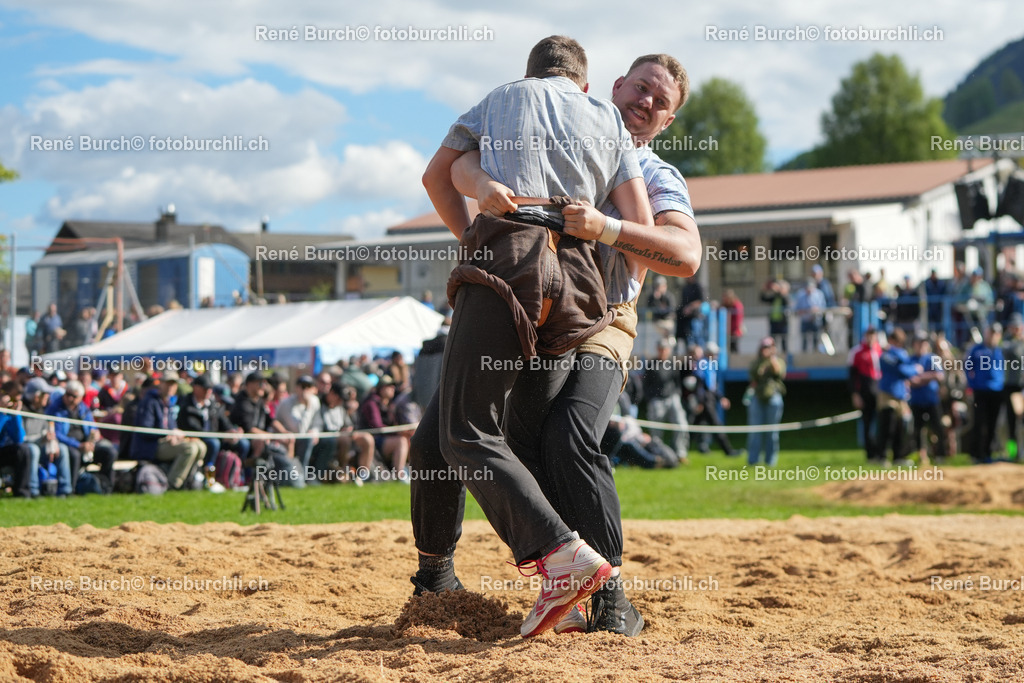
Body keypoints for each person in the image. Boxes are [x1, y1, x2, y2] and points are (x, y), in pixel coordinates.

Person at [414, 42, 698, 638]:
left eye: (660, 100)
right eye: (640, 88)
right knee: (437, 437)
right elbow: (459, 167)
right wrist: (482, 184)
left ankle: (607, 592)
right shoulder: (552, 124)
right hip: (543, 295)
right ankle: (437, 578)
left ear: (668, 121)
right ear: (608, 88)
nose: (645, 101)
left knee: (564, 435)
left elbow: (684, 254)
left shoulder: (652, 171)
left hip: (605, 318)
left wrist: (608, 227)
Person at [132, 370, 206, 490]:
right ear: (160, 383)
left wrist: (175, 435)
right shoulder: (149, 402)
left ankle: (188, 481)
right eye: (168, 383)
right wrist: (168, 433)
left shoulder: (168, 403)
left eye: (173, 384)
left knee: (200, 446)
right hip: (150, 446)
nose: (171, 387)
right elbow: (145, 429)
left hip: (165, 443)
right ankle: (172, 484)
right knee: (189, 449)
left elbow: (171, 427)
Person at [46, 379, 117, 490]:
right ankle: (72, 489)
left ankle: (106, 487)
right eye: (68, 394)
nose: (70, 398)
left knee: (110, 452)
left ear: (80, 397)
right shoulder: (55, 409)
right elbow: (57, 434)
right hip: (68, 445)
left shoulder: (84, 409)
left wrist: (94, 434)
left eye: (74, 396)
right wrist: (78, 445)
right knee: (75, 455)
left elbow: (92, 426)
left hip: (87, 445)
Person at [876, 329, 921, 466]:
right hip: (887, 394)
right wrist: (913, 368)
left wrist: (907, 365)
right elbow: (903, 370)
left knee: (902, 428)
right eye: (896, 342)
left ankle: (899, 456)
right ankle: (882, 457)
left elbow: (905, 368)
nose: (898, 345)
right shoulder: (886, 355)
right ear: (891, 341)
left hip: (901, 395)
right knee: (887, 426)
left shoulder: (901, 354)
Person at [643, 338, 689, 462]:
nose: (663, 351)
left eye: (665, 349)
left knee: (681, 425)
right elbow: (646, 383)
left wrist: (677, 394)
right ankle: (659, 454)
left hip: (672, 398)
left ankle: (680, 453)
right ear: (658, 349)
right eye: (661, 349)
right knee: (656, 429)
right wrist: (650, 398)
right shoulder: (651, 364)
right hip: (657, 400)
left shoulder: (672, 363)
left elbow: (677, 381)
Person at [966, 324, 1004, 464]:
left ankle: (988, 453)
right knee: (979, 423)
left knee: (992, 424)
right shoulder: (976, 350)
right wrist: (971, 384)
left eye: (996, 333)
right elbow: (967, 367)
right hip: (980, 391)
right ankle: (976, 454)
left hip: (997, 391)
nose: (993, 336)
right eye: (991, 333)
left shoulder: (1000, 350)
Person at [746, 337, 786, 467]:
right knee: (755, 431)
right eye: (765, 347)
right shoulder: (756, 362)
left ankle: (770, 461)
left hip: (774, 398)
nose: (767, 350)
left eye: (769, 347)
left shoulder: (778, 361)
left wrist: (771, 359)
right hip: (757, 397)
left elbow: (779, 373)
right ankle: (753, 460)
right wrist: (763, 364)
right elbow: (753, 375)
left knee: (772, 432)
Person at [908, 334, 945, 466]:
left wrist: (920, 378)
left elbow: (939, 375)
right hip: (916, 400)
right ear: (914, 345)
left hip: (932, 399)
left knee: (938, 427)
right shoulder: (910, 359)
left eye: (924, 343)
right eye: (919, 343)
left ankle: (940, 455)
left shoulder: (933, 358)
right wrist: (928, 377)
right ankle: (921, 455)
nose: (921, 346)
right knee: (918, 429)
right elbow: (909, 379)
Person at [848, 328, 882, 461]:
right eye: (869, 336)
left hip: (879, 392)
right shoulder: (856, 352)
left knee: (883, 424)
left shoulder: (880, 350)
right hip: (865, 392)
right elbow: (851, 376)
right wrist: (855, 394)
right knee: (867, 424)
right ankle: (871, 455)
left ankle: (881, 453)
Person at [0, 380, 34, 498]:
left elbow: (19, 439)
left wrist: (15, 415)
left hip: (4, 451)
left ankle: (22, 493)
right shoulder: (3, 413)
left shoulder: (11, 414)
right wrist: (2, 414)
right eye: (14, 400)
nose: (15, 403)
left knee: (24, 449)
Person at [1000, 314, 1024, 458]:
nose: (1016, 330)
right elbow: (1011, 352)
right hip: (1012, 387)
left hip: (1022, 386)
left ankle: (1021, 453)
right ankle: (1013, 453)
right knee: (1011, 423)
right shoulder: (1007, 342)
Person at [794, 279, 826, 353]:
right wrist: (804, 311)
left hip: (815, 320)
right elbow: (797, 308)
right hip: (805, 320)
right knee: (804, 338)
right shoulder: (800, 294)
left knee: (816, 338)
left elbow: (823, 307)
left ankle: (815, 352)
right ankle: (804, 353)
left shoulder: (819, 294)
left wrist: (816, 310)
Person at [761, 277, 790, 352]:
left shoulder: (785, 297)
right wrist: (764, 289)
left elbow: (786, 300)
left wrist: (779, 289)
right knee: (773, 341)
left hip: (782, 322)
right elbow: (763, 298)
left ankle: (784, 356)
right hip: (774, 322)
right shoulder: (774, 297)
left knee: (784, 341)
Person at [720, 289, 744, 353]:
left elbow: (738, 320)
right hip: (728, 331)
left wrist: (735, 330)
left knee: (734, 347)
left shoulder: (737, 305)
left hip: (735, 331)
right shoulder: (725, 305)